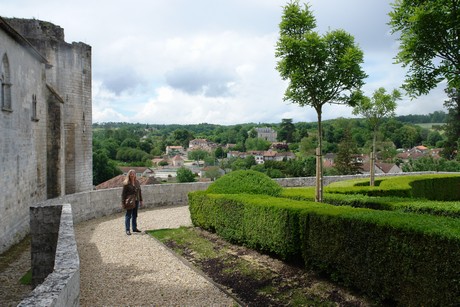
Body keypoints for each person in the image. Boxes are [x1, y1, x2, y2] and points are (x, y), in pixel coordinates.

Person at [121, 169, 143, 235]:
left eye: (133, 173)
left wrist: (141, 200)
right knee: (128, 215)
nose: (132, 175)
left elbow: (139, 192)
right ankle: (127, 230)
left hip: (136, 200)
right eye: (131, 174)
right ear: (129, 175)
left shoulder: (137, 182)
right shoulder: (126, 183)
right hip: (130, 201)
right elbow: (123, 194)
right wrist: (123, 202)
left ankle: (134, 228)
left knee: (135, 215)